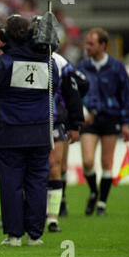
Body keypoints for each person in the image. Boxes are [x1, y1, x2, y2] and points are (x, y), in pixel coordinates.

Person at [0, 15, 58, 246]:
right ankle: (35, 235)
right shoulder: (48, 62)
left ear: (6, 36)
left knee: (11, 183)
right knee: (37, 181)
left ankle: (14, 235)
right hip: (40, 130)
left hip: (9, 131)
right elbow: (56, 86)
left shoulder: (1, 63)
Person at [78, 28, 129, 216]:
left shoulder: (116, 67)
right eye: (87, 43)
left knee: (106, 162)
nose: (87, 47)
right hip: (89, 120)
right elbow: (76, 94)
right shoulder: (82, 66)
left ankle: (102, 203)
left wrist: (126, 121)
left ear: (103, 45)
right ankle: (94, 191)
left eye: (91, 44)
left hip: (111, 117)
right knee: (87, 162)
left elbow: (125, 95)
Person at [46, 51, 85, 232]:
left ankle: (52, 217)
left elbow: (75, 90)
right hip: (27, 124)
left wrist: (75, 122)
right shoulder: (17, 56)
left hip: (54, 121)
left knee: (55, 167)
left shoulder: (60, 62)